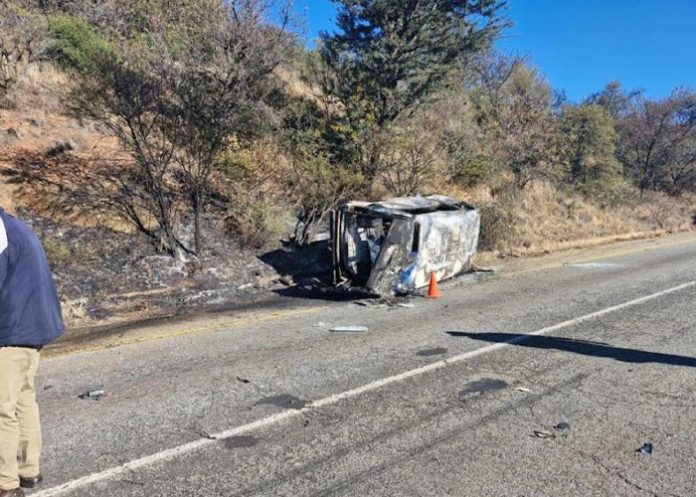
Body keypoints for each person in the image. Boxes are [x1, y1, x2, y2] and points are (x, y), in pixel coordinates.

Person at [0, 192, 64, 497]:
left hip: (12, 332)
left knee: (2, 408)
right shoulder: (15, 227)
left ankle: (6, 483)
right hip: (33, 328)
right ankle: (28, 471)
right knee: (24, 397)